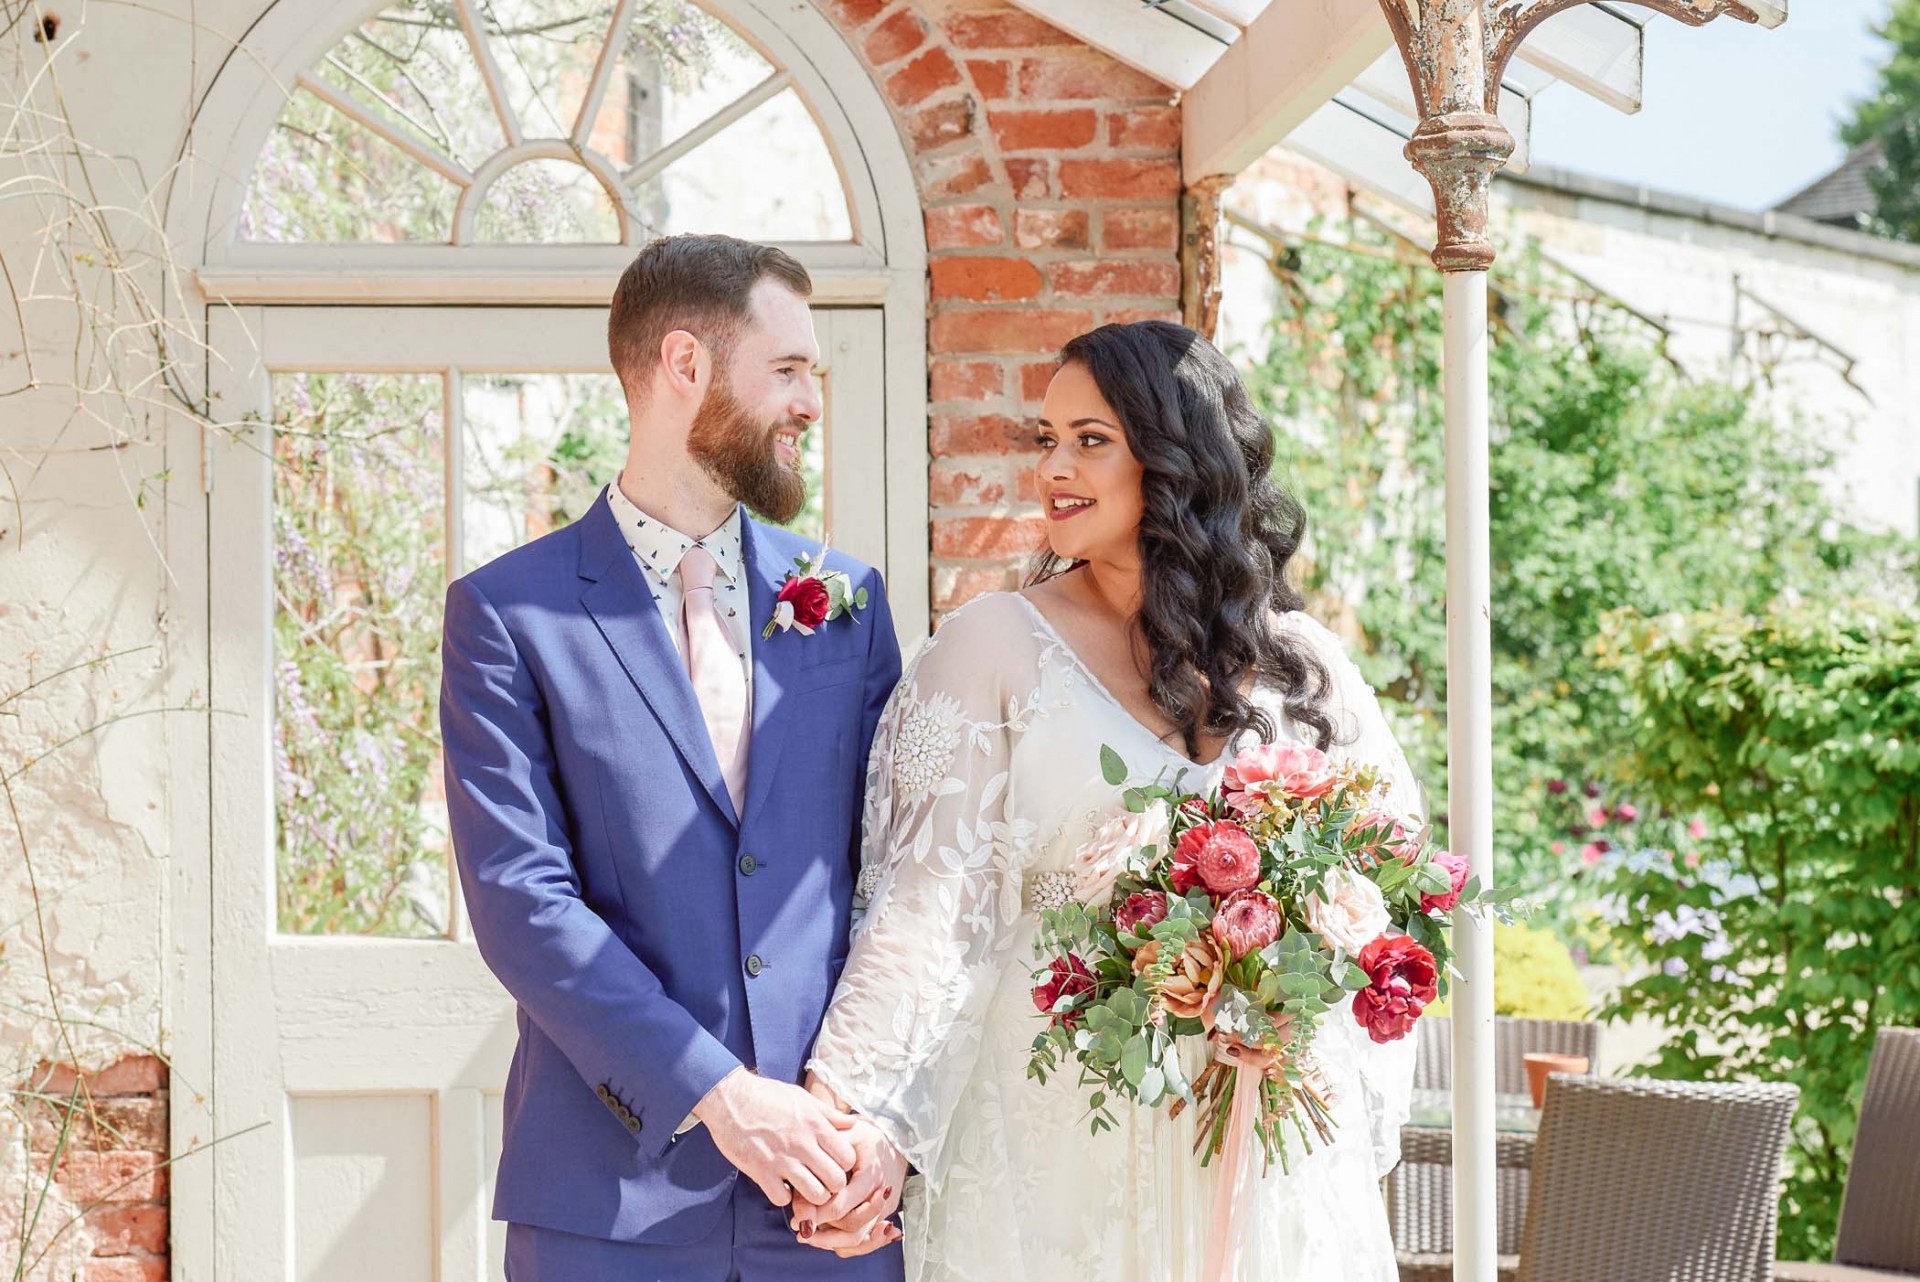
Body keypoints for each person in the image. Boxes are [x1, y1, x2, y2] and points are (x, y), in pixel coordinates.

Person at [797, 320, 1421, 1278]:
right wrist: (859, 1120)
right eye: (1048, 439)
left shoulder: (1304, 667)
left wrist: (1283, 985)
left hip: (1252, 1147)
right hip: (1055, 1150)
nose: (1056, 467)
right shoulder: (991, 650)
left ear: (1177, 459)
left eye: (1092, 440)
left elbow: (1391, 883)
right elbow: (927, 910)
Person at [439, 233, 906, 1280]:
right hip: (609, 1208)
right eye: (787, 369)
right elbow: (521, 901)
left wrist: (886, 1115)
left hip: (833, 1199)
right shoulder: (509, 615)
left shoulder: (850, 606)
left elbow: (899, 886)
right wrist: (720, 1096)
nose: (810, 404)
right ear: (684, 365)